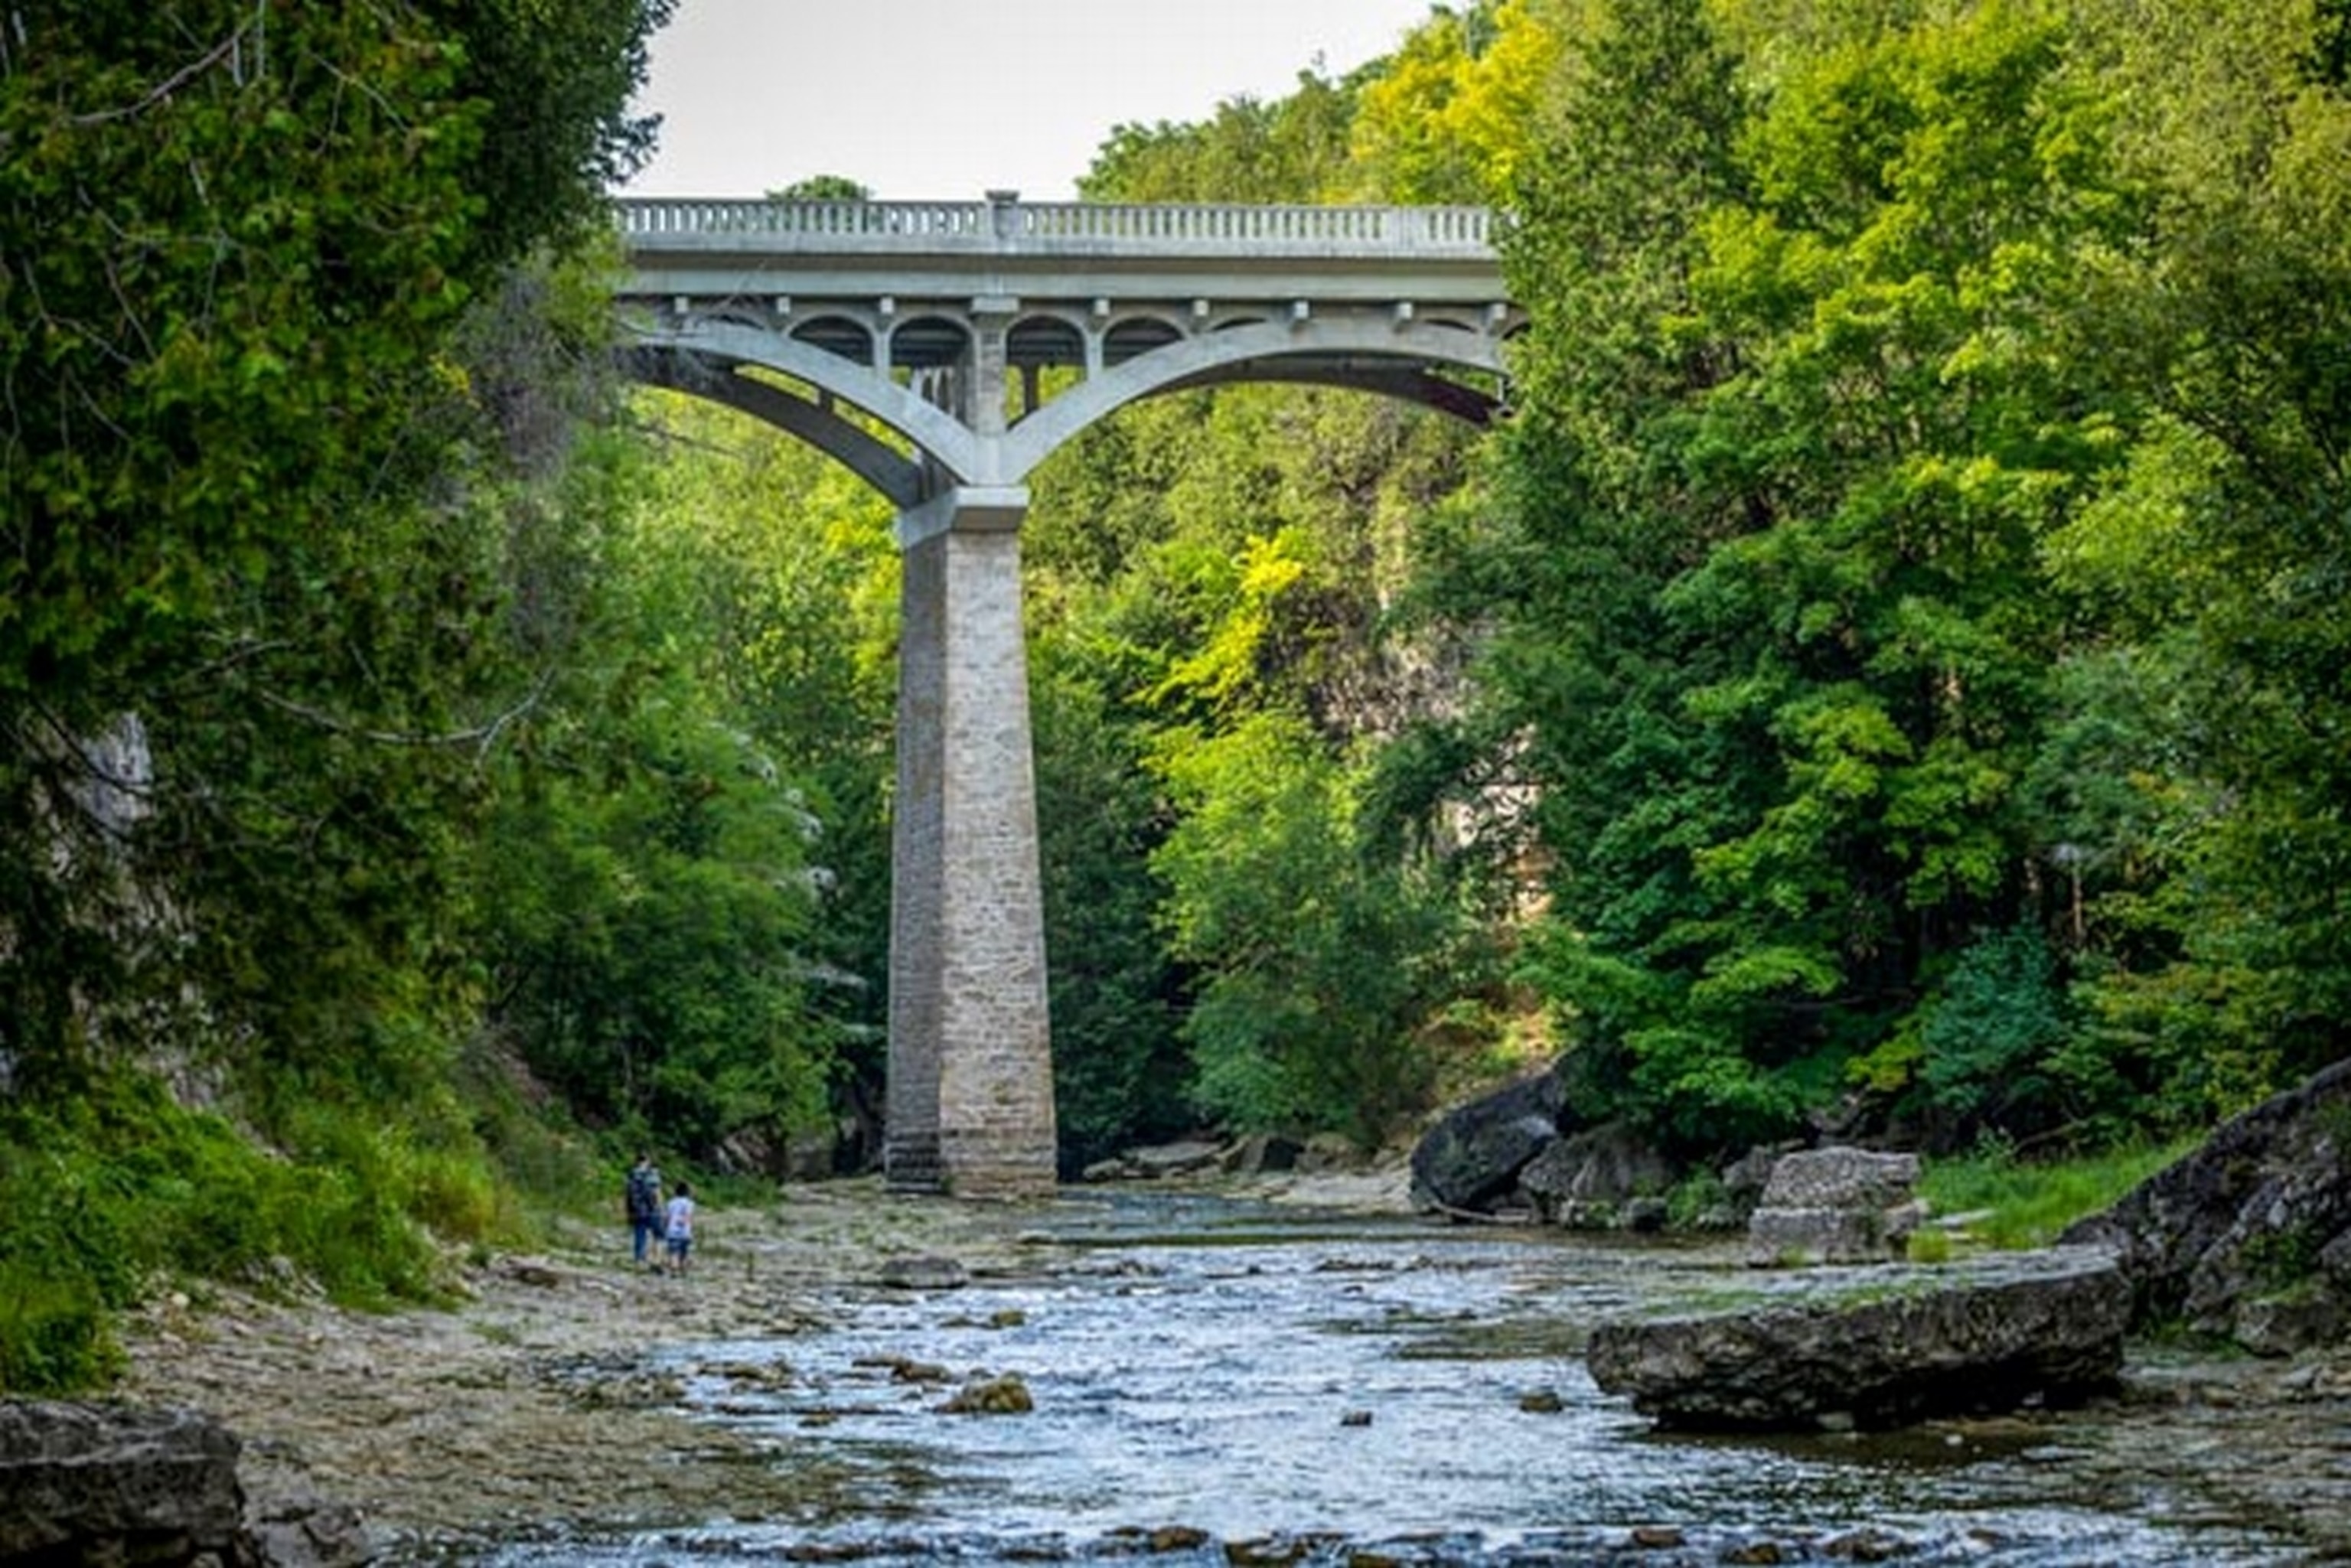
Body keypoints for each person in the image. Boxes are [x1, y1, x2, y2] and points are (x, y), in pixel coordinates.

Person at [624, 1152, 664, 1268]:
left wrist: (629, 1211)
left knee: (640, 1235)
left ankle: (639, 1260)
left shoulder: (631, 1175)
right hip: (652, 1210)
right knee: (659, 1235)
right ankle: (656, 1260)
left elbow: (628, 1195)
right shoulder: (652, 1174)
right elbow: (657, 1192)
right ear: (648, 1161)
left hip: (638, 1210)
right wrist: (661, 1208)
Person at [663, 1180, 696, 1276]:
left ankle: (674, 1269)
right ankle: (683, 1269)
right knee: (684, 1252)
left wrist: (666, 1226)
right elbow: (689, 1217)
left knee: (673, 1252)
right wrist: (691, 1227)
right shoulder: (690, 1203)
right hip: (685, 1232)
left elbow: (667, 1217)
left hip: (672, 1231)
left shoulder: (670, 1203)